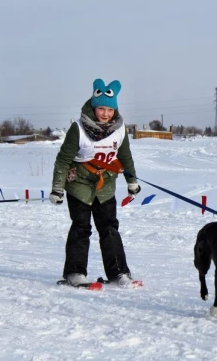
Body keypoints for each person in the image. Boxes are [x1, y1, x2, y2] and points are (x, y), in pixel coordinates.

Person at [50, 78, 141, 287]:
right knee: (81, 227)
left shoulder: (119, 129)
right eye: (101, 108)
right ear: (94, 106)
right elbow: (63, 159)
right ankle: (74, 272)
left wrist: (132, 181)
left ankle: (118, 273)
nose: (105, 113)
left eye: (109, 110)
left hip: (105, 185)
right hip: (79, 184)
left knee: (109, 227)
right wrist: (57, 188)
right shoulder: (78, 129)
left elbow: (125, 156)